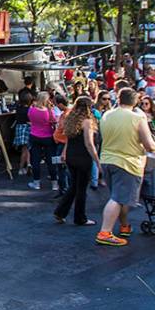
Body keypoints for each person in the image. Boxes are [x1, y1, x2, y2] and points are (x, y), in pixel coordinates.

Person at [96, 88, 155, 246]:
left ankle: (124, 226)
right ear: (135, 101)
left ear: (119, 99)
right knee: (118, 199)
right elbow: (148, 144)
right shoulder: (137, 118)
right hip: (128, 162)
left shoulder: (107, 115)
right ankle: (105, 232)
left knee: (118, 196)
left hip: (107, 159)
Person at [54, 97, 100, 226]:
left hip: (71, 156)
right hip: (83, 157)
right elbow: (89, 144)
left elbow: (68, 139)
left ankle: (60, 212)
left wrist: (64, 153)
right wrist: (97, 161)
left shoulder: (70, 119)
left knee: (74, 186)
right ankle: (80, 217)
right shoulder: (87, 122)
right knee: (81, 189)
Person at [27, 91, 58, 191]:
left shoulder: (31, 110)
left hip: (34, 136)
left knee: (35, 160)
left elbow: (30, 119)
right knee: (51, 160)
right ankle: (54, 184)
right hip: (48, 137)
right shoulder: (49, 111)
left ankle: (36, 183)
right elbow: (54, 121)